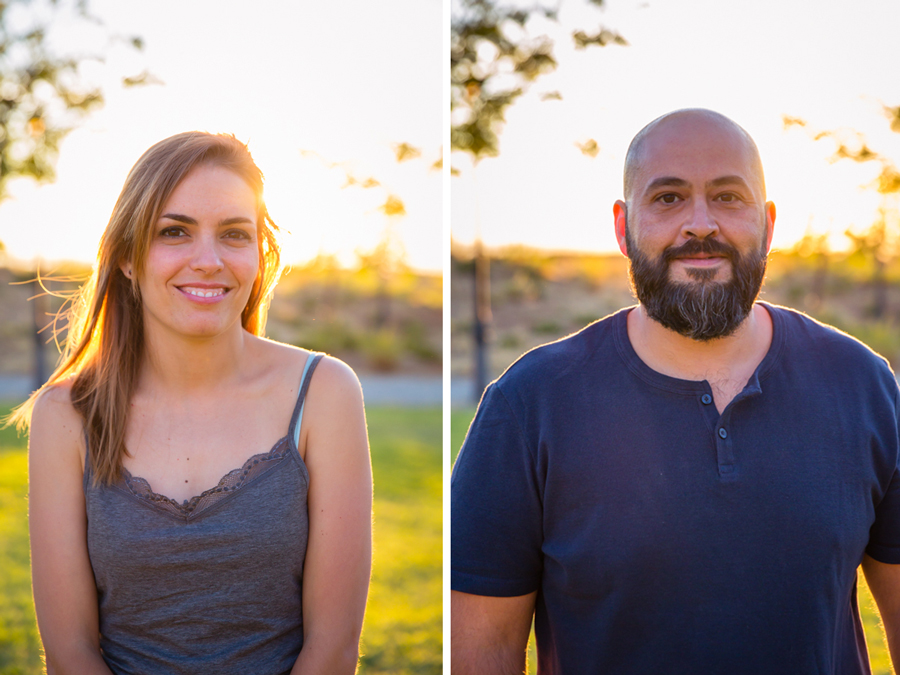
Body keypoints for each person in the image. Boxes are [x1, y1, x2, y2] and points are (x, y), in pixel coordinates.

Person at [451, 109, 900, 673]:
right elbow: (481, 652)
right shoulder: (527, 406)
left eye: (728, 196)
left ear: (768, 223)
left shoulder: (863, 385)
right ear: (623, 227)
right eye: (668, 198)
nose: (700, 224)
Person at [14, 132, 372, 675]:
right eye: (174, 232)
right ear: (128, 259)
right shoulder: (66, 415)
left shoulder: (324, 393)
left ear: (259, 256)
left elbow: (333, 649)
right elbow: (70, 655)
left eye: (233, 234)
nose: (208, 260)